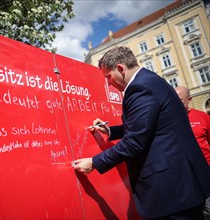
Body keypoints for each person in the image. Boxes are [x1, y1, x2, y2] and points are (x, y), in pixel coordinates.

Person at [72, 46, 210, 219]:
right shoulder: (150, 81)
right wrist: (110, 131)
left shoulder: (140, 88)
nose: (108, 83)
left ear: (121, 69)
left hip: (172, 190)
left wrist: (94, 162)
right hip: (181, 184)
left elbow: (135, 141)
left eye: (108, 76)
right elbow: (149, 125)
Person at [175, 85, 210, 219]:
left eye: (180, 100)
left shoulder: (203, 117)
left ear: (189, 99)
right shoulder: (169, 119)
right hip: (184, 176)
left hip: (206, 172)